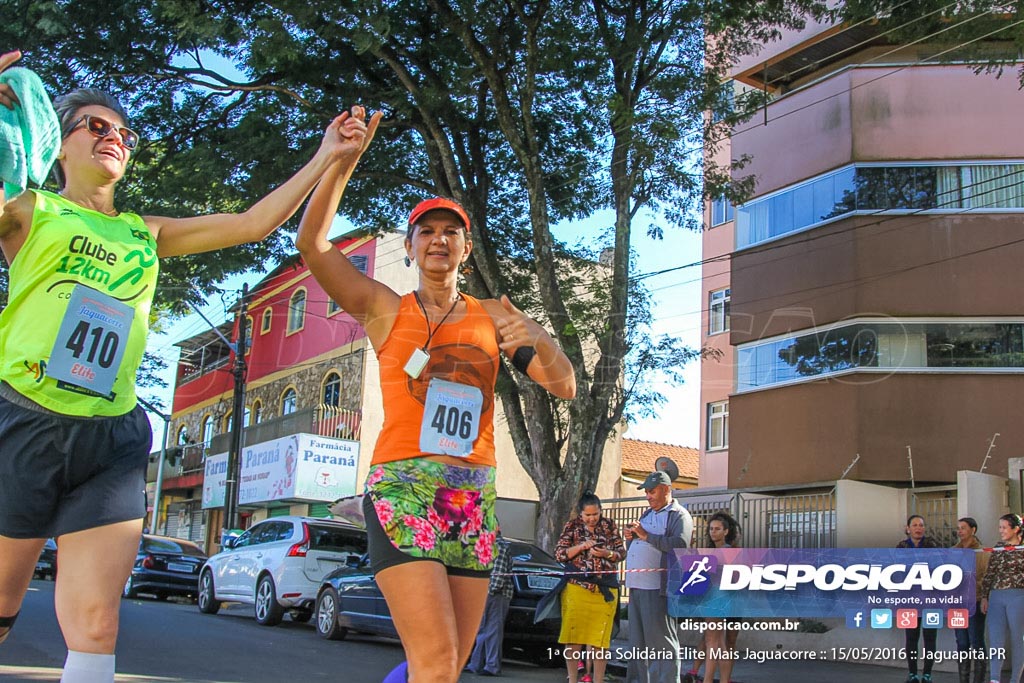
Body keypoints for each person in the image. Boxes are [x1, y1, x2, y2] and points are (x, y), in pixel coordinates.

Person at [0, 49, 370, 682]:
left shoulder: (149, 232)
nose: (113, 137)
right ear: (58, 146)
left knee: (96, 624)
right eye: (95, 126)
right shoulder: (29, 212)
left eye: (123, 132)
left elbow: (254, 224)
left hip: (111, 437)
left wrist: (328, 155)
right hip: (24, 423)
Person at [295, 151, 576, 682]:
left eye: (452, 232)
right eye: (426, 231)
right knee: (434, 660)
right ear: (409, 247)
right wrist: (341, 161)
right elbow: (311, 244)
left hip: (472, 496)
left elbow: (564, 386)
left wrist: (539, 335)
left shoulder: (493, 316)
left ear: (466, 251)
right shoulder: (385, 310)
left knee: (447, 668)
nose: (439, 239)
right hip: (404, 487)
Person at [623, 471, 693, 683]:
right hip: (636, 588)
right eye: (646, 492)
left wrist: (645, 535)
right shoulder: (647, 514)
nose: (648, 496)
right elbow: (639, 545)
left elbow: (680, 545)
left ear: (666, 489)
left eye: (652, 491)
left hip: (658, 590)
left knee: (661, 645)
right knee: (637, 644)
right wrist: (631, 537)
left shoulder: (678, 515)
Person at [554, 491, 625, 683]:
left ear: (601, 511)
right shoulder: (572, 526)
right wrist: (582, 547)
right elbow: (560, 554)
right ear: (581, 514)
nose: (592, 519)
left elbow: (621, 552)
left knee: (600, 641)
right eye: (588, 515)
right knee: (574, 637)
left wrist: (607, 554)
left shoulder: (609, 525)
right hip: (577, 589)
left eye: (596, 514)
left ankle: (598, 679)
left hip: (605, 591)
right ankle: (573, 679)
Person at [684, 511, 742, 683]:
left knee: (716, 643)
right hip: (719, 600)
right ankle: (717, 679)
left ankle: (710, 679)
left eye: (717, 529)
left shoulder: (728, 551)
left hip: (722, 599)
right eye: (711, 529)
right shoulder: (713, 552)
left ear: (726, 531)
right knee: (717, 643)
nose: (713, 532)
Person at [896, 515, 942, 683]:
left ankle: (927, 674)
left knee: (930, 638)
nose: (918, 528)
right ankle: (913, 674)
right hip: (909, 600)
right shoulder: (901, 547)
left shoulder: (932, 545)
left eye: (921, 525)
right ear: (908, 528)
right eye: (914, 525)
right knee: (911, 638)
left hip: (931, 599)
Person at [980, 513, 1024, 683]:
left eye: (1005, 527)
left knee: (1017, 639)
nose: (1001, 531)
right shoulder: (998, 547)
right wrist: (985, 596)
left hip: (1018, 596)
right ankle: (994, 679)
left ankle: (1015, 679)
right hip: (996, 597)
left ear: (1016, 528)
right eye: (1000, 527)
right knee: (995, 638)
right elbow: (990, 573)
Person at [466, 531, 513, 676]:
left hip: (496, 594)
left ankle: (491, 666)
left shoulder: (498, 546)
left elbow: (498, 575)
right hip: (486, 592)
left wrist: (489, 591)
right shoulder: (486, 544)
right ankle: (476, 664)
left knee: (493, 629)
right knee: (483, 629)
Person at [952, 517, 988, 683]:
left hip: (974, 600)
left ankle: (978, 679)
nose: (960, 531)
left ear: (973, 530)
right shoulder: (953, 550)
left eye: (963, 528)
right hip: (957, 602)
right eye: (958, 528)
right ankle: (963, 679)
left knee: (976, 640)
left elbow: (984, 577)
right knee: (961, 642)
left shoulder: (981, 552)